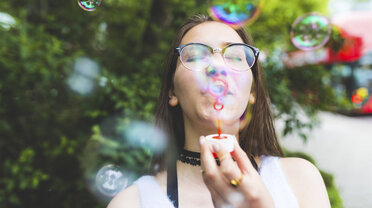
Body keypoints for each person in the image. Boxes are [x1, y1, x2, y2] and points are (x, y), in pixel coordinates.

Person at [107, 14, 331, 208]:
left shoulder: (300, 179)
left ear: (252, 91)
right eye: (195, 56)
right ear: (172, 92)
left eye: (235, 56)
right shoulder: (131, 202)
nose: (217, 68)